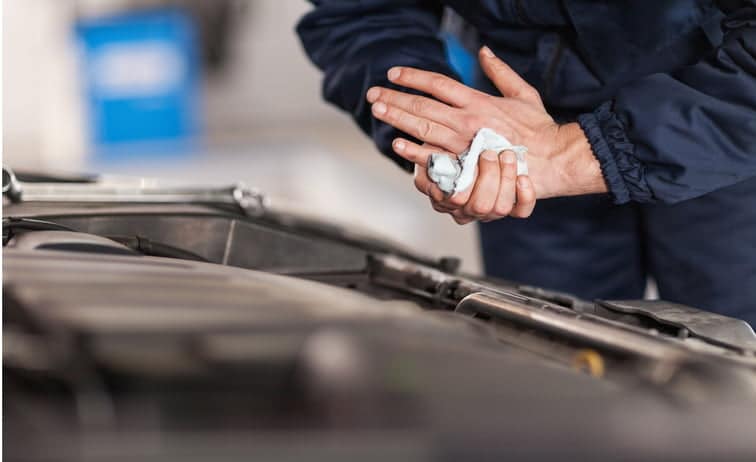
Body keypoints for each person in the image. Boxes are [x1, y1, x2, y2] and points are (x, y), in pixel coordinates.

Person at [297, 1, 756, 325]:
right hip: (512, 127)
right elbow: (361, 10)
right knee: (552, 361)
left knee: (737, 356)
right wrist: (436, 128)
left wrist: (574, 154)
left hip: (718, 106)